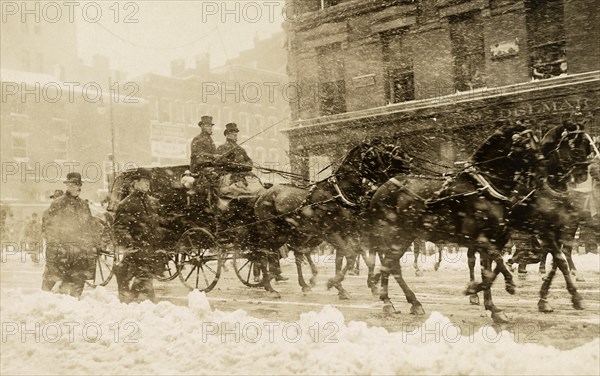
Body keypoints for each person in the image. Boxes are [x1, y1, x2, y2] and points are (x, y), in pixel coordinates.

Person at [112, 168, 165, 303]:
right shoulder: (126, 204)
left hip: (150, 251)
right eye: (144, 181)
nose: (148, 184)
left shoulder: (153, 202)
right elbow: (119, 227)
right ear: (135, 183)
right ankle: (133, 304)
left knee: (143, 282)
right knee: (138, 280)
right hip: (135, 250)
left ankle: (134, 304)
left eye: (148, 181)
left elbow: (159, 224)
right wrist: (130, 242)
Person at [41, 173, 96, 298]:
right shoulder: (58, 203)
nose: (72, 187)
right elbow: (51, 228)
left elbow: (89, 227)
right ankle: (43, 303)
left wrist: (91, 245)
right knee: (51, 279)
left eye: (75, 184)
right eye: (69, 184)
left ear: (80, 186)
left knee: (77, 282)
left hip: (79, 251)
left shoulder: (83, 205)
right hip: (61, 249)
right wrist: (55, 247)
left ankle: (73, 304)